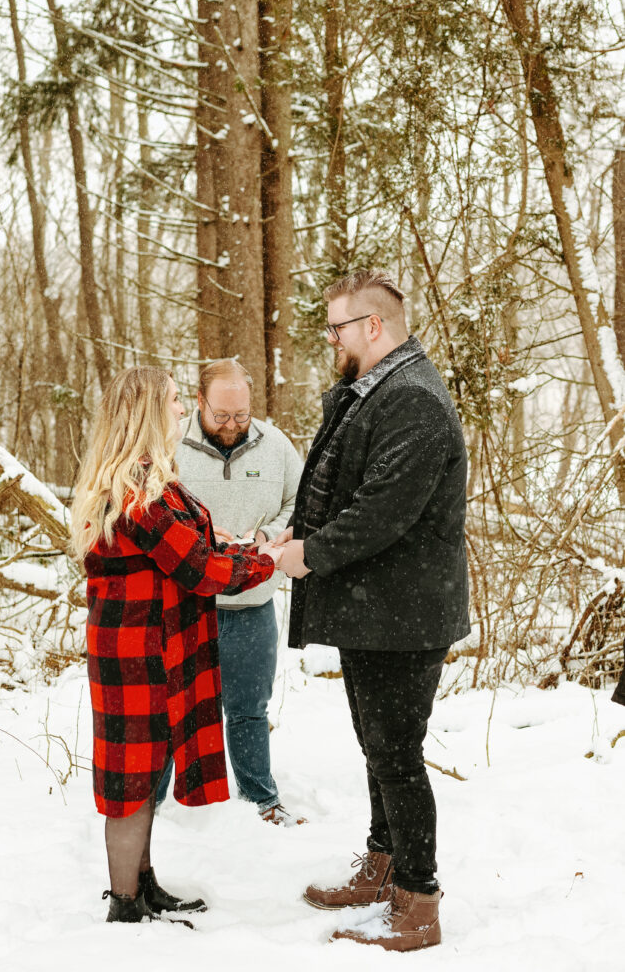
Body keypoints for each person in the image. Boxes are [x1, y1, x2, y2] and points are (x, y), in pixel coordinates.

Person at [274, 268, 470, 952]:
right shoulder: (376, 390)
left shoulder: (411, 398)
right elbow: (345, 485)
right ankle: (382, 866)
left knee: (396, 755)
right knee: (378, 748)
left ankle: (418, 900)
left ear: (373, 328)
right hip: (378, 609)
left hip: (404, 613)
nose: (331, 339)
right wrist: (296, 537)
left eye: (338, 328)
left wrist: (311, 554)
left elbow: (383, 510)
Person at [70, 367, 280, 924]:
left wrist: (248, 549)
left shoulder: (151, 479)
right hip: (135, 652)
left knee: (147, 767)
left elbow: (195, 546)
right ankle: (124, 903)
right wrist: (270, 561)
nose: (181, 411)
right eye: (171, 402)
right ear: (144, 412)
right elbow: (196, 566)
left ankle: (142, 882)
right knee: (132, 778)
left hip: (155, 646)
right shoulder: (135, 488)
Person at [156, 359, 305, 826]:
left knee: (248, 709)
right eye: (221, 416)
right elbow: (149, 505)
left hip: (251, 604)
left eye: (240, 416)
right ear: (199, 402)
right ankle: (152, 808)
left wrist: (269, 538)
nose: (232, 426)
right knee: (170, 709)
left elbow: (301, 501)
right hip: (187, 603)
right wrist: (198, 533)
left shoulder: (275, 444)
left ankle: (261, 799)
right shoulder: (169, 444)